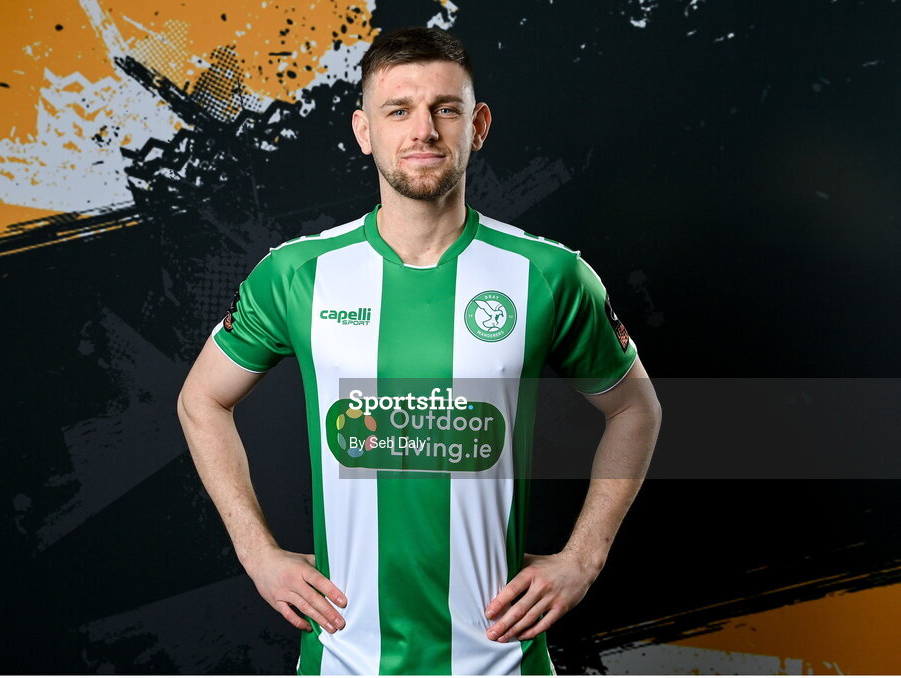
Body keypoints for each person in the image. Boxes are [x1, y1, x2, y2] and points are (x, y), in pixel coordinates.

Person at [176, 26, 661, 676]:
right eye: (398, 110)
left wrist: (584, 558)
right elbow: (200, 400)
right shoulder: (297, 274)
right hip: (346, 659)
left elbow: (635, 410)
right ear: (363, 131)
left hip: (502, 660)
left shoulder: (549, 275)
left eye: (446, 109)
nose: (424, 130)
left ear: (478, 124)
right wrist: (258, 554)